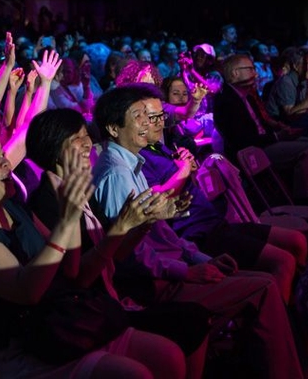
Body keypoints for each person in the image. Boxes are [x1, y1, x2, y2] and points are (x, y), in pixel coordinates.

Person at [0, 127, 187, 379]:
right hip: (16, 350)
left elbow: (71, 271)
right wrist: (67, 223)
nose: (6, 163)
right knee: (132, 374)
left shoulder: (11, 206)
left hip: (61, 326)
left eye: (2, 154)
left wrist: (132, 222)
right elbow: (27, 291)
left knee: (168, 355)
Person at [91, 84, 305, 379]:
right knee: (265, 286)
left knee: (270, 274)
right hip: (158, 284)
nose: (152, 123)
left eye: (153, 116)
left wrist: (200, 259)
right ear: (114, 128)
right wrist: (187, 271)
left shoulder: (133, 163)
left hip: (181, 259)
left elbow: (163, 234)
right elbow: (133, 255)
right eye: (140, 116)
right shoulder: (117, 173)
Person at [25, 109, 213, 378]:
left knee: (194, 321)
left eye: (87, 136)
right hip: (90, 314)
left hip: (111, 299)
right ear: (55, 147)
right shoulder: (46, 203)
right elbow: (79, 277)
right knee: (189, 325)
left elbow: (117, 253)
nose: (89, 143)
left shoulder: (80, 189)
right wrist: (123, 226)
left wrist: (146, 221)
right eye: (79, 138)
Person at [138, 90, 308, 304]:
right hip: (197, 234)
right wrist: (182, 171)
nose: (163, 121)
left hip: (215, 223)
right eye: (155, 117)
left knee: (297, 241)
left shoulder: (159, 147)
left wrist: (189, 167)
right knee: (283, 262)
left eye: (162, 115)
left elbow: (187, 183)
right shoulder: (138, 160)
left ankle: (297, 309)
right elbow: (159, 202)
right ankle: (286, 320)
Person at [212, 54, 308, 204]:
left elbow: (261, 126)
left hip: (264, 143)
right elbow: (243, 141)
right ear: (235, 73)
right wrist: (278, 136)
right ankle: (306, 200)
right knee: (306, 149)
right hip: (252, 152)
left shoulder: (246, 96)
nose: (256, 73)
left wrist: (281, 132)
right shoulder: (227, 101)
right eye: (250, 69)